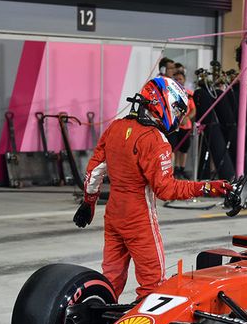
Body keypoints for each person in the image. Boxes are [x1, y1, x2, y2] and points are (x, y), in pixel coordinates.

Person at [73, 76, 231, 300]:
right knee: (153, 286)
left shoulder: (115, 127)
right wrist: (209, 187)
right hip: (139, 221)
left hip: (113, 217)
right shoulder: (155, 140)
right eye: (176, 109)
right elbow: (166, 190)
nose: (177, 117)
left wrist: (89, 202)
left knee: (110, 282)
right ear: (162, 102)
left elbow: (94, 171)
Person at [170, 68, 195, 178]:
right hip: (174, 126)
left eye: (180, 79)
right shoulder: (170, 92)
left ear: (184, 80)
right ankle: (174, 169)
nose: (178, 81)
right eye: (176, 79)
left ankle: (181, 169)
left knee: (184, 148)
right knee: (173, 148)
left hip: (185, 125)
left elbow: (193, 109)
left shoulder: (189, 93)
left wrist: (187, 118)